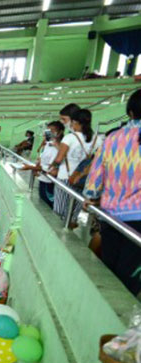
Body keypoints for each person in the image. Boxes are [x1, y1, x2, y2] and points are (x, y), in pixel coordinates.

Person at [84, 89, 141, 295]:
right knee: (131, 274)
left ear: (131, 113)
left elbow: (96, 173)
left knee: (110, 269)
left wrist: (90, 196)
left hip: (111, 214)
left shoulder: (113, 137)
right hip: (138, 219)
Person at [51, 108, 100, 227]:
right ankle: (68, 234)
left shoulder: (70, 138)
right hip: (83, 180)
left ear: (75, 122)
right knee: (73, 214)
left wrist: (52, 168)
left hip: (65, 178)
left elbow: (59, 159)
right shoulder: (97, 139)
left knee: (59, 212)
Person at [21, 121, 64, 209]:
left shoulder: (58, 148)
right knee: (42, 201)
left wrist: (31, 167)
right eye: (48, 130)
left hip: (49, 182)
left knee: (49, 204)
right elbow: (42, 160)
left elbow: (51, 168)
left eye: (52, 130)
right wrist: (36, 168)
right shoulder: (48, 145)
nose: (49, 133)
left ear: (59, 133)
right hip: (42, 179)